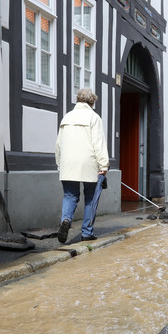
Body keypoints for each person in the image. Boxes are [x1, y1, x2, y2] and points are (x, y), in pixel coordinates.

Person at [56, 88, 109, 243]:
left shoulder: (67, 117)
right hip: (89, 163)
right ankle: (87, 232)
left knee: (70, 196)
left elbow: (58, 144)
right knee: (91, 199)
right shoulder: (94, 117)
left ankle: (66, 220)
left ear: (78, 100)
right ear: (92, 102)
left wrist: (60, 164)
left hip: (68, 164)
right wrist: (104, 165)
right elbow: (98, 143)